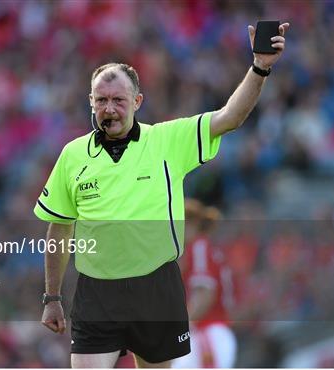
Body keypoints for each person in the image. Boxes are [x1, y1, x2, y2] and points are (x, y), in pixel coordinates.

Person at [34, 22, 289, 368]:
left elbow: (230, 117)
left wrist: (260, 67)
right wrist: (52, 296)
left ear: (137, 101)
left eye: (119, 101)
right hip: (96, 292)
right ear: (90, 102)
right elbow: (59, 229)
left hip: (156, 288)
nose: (109, 109)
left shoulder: (167, 140)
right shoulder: (72, 155)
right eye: (102, 101)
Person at [172, 199, 236, 368]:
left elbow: (204, 294)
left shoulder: (199, 245)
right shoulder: (199, 248)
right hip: (208, 332)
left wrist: (183, 327)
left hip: (207, 331)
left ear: (191, 223)